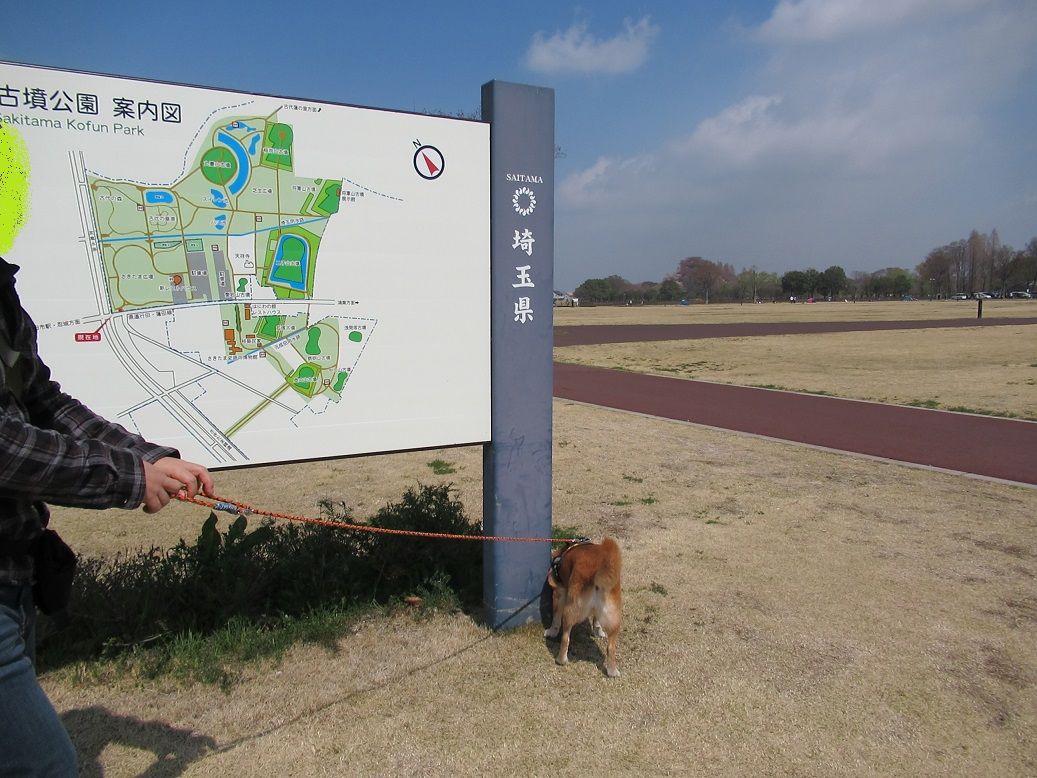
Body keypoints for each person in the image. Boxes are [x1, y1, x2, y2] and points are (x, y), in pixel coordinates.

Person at [0, 255, 215, 776]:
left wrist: (147, 456)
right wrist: (130, 478)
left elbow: (43, 403)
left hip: (15, 571)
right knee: (44, 765)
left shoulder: (2, 294)